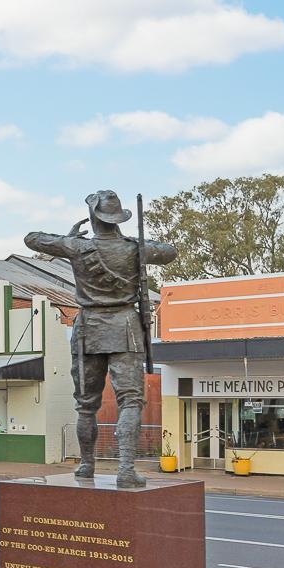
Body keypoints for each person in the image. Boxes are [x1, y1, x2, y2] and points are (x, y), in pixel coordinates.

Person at [25, 190, 176, 488]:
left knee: (86, 405)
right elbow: (170, 251)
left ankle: (86, 465)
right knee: (130, 401)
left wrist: (70, 240)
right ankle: (125, 469)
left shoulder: (78, 247)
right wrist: (139, 245)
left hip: (89, 328)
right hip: (125, 326)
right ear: (117, 219)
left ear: (93, 217)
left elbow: (32, 238)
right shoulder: (135, 248)